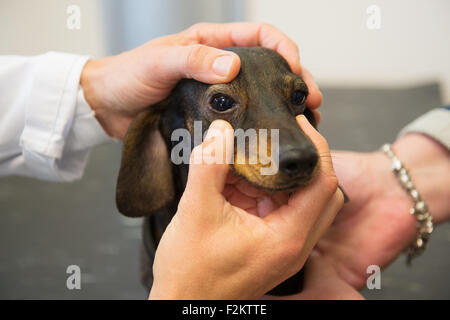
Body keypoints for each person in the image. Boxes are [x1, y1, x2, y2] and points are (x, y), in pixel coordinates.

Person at [1, 22, 448, 299]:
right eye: (221, 102)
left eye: (293, 100)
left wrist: (404, 178)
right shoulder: (161, 138)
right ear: (166, 131)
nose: (293, 148)